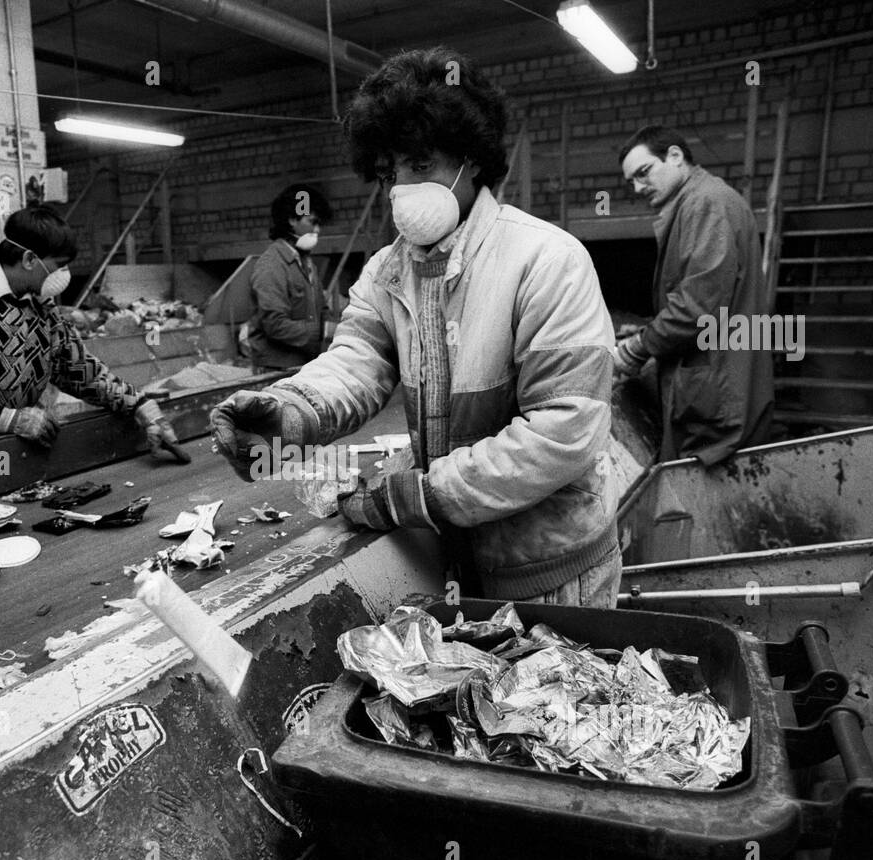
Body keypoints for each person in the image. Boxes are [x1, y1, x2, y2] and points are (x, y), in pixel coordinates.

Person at [210, 48, 620, 607]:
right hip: (456, 558)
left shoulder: (546, 260)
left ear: (470, 159)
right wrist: (290, 411)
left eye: (420, 165)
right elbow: (356, 359)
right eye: (389, 173)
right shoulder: (387, 270)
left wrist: (414, 498)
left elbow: (563, 432)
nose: (401, 188)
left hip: (550, 573)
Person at [0, 205, 188, 461]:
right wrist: (8, 419)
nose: (63, 275)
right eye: (59, 265)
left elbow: (80, 371)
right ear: (30, 259)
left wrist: (143, 408)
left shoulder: (42, 307)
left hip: (16, 447)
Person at [613, 125, 774, 464]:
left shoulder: (706, 204)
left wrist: (637, 349)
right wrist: (649, 330)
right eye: (631, 182)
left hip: (716, 399)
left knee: (696, 503)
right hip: (718, 386)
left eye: (644, 172)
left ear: (675, 156)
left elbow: (698, 309)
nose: (639, 187)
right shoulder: (699, 202)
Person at [245, 183, 333, 369]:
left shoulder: (307, 263)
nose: (318, 231)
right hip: (277, 370)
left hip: (305, 366)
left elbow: (321, 309)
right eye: (313, 222)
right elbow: (275, 324)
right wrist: (323, 331)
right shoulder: (271, 266)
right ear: (293, 219)